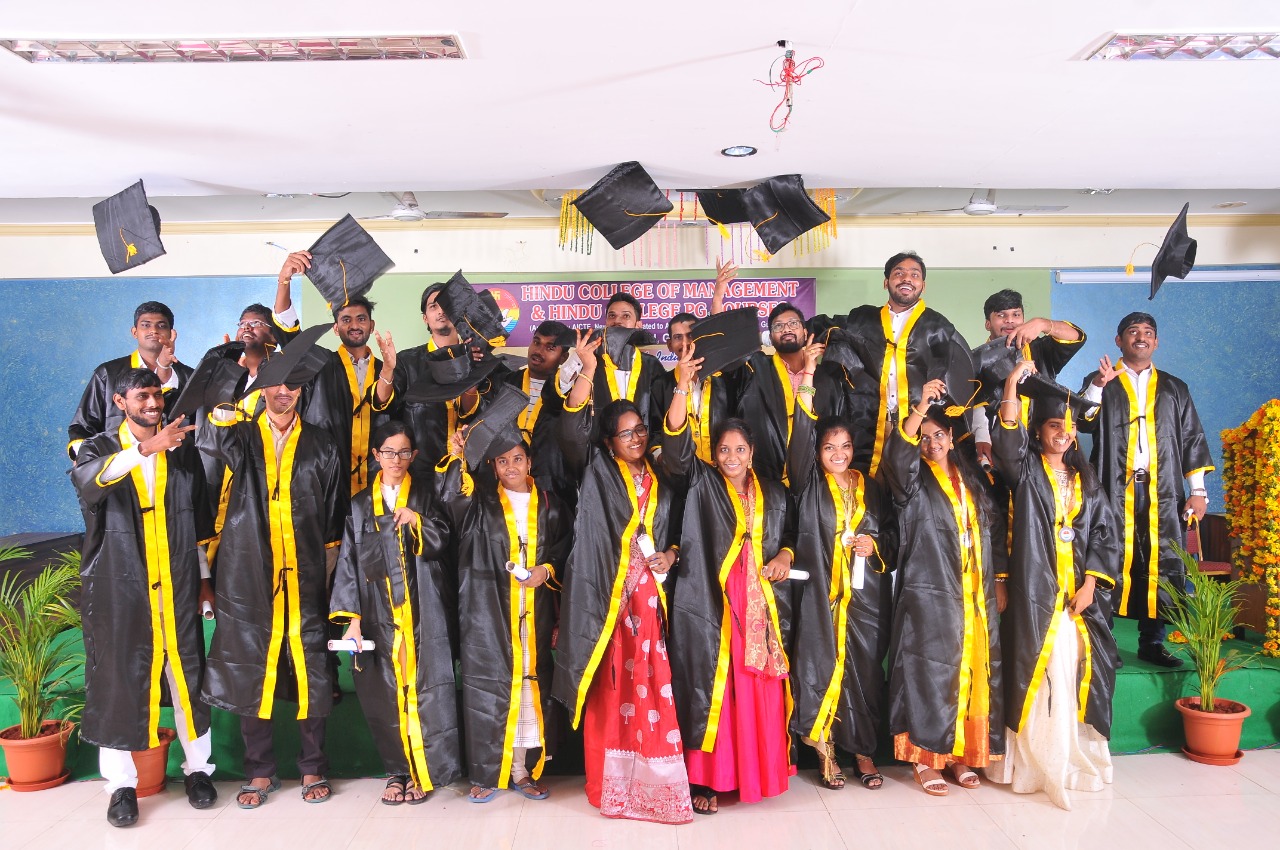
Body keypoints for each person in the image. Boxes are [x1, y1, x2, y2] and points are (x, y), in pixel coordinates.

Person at [550, 330, 698, 825]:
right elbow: (572, 432)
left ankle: (656, 785)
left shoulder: (660, 474)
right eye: (626, 433)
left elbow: (677, 527)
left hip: (651, 603)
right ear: (608, 441)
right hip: (606, 602)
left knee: (653, 688)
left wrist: (672, 553)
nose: (636, 439)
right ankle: (609, 785)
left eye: (640, 430)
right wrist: (588, 372)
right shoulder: (595, 468)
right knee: (610, 688)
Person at [196, 343, 344, 808]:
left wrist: (330, 583)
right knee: (249, 669)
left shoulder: (322, 443)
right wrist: (235, 373)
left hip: (306, 575)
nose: (284, 391)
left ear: (302, 390)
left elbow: (333, 520)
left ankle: (313, 766)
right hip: (247, 574)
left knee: (311, 670)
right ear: (261, 388)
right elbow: (213, 428)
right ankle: (259, 772)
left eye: (293, 384)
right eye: (276, 382)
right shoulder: (239, 436)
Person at [70, 369, 216, 827]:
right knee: (118, 680)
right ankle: (121, 787)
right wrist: (147, 449)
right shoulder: (97, 447)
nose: (153, 403)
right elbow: (90, 482)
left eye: (157, 394)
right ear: (120, 402)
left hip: (176, 584)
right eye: (142, 396)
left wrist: (204, 580)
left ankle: (199, 771)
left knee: (187, 677)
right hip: (120, 586)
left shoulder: (181, 451)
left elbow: (198, 523)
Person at [987, 362, 1118, 809]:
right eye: (1053, 425)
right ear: (1039, 430)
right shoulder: (1023, 471)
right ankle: (1034, 762)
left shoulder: (1087, 480)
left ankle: (1068, 757)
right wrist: (1011, 384)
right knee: (1040, 670)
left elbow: (1104, 534)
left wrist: (1091, 583)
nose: (1062, 433)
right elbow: (1006, 440)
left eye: (1068, 427)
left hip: (1077, 596)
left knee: (1074, 670)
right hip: (1034, 589)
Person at [666, 412, 798, 814]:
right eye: (724, 449)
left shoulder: (774, 492)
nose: (732, 457)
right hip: (715, 599)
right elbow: (676, 451)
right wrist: (682, 388)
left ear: (752, 452)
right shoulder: (703, 483)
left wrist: (785, 555)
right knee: (717, 687)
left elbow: (793, 534)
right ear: (714, 453)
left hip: (762, 603)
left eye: (740, 449)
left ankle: (757, 776)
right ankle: (708, 780)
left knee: (758, 686)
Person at [882, 378, 1004, 797]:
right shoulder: (911, 481)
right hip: (929, 590)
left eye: (938, 435)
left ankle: (958, 753)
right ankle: (924, 757)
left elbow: (990, 529)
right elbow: (897, 456)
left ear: (951, 436)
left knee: (969, 667)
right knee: (929, 670)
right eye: (924, 437)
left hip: (972, 591)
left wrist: (998, 581)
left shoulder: (971, 479)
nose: (932, 443)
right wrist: (918, 409)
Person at [329, 421, 460, 805]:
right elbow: (349, 564)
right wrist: (353, 622)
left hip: (423, 613)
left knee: (425, 691)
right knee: (385, 695)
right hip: (378, 617)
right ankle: (397, 772)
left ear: (414, 455)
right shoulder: (359, 506)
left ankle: (425, 770)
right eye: (388, 452)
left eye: (404, 452)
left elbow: (444, 540)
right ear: (376, 455)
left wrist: (417, 520)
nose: (396, 460)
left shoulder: (426, 495)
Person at [440, 421, 570, 803]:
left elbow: (566, 548)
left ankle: (521, 771)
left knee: (529, 690)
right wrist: (457, 456)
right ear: (493, 466)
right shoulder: (480, 501)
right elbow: (450, 497)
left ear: (529, 461)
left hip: (534, 612)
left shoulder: (550, 504)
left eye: (517, 459)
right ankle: (486, 773)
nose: (511, 467)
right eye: (502, 461)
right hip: (489, 614)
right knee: (489, 691)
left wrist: (547, 570)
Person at [1078, 312, 1213, 668]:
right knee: (1106, 556)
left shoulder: (1174, 388)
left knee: (1162, 561)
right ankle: (1104, 642)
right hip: (1111, 488)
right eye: (1133, 331)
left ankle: (1152, 642)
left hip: (1162, 491)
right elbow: (1081, 422)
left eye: (1148, 332)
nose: (1141, 337)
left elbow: (1191, 438)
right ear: (1119, 340)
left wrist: (1198, 490)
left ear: (1156, 342)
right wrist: (1098, 386)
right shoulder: (1101, 380)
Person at [786, 339, 892, 792]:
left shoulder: (869, 485)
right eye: (829, 447)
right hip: (820, 595)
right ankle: (825, 748)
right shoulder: (807, 482)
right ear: (817, 451)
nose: (838, 454)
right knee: (819, 667)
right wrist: (809, 375)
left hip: (864, 598)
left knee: (863, 673)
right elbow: (801, 437)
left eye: (845, 446)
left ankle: (863, 751)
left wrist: (873, 544)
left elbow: (888, 534)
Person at [825, 252, 970, 477]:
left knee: (915, 484)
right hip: (869, 420)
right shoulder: (863, 318)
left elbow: (956, 377)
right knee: (868, 483)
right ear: (886, 282)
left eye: (914, 274)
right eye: (899, 273)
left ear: (923, 285)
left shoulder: (937, 326)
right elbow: (826, 328)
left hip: (918, 422)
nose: (907, 278)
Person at [969, 289, 1086, 470]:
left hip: (1042, 449)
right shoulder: (978, 360)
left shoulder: (1040, 350)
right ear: (988, 324)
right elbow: (973, 406)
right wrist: (982, 436)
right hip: (996, 451)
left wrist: (1042, 323)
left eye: (1016, 314)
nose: (1010, 320)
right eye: (1001, 315)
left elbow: (1076, 337)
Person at [377, 282, 481, 476]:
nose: (441, 311)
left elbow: (481, 416)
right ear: (425, 318)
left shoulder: (477, 358)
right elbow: (384, 406)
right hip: (420, 471)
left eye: (447, 305)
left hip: (468, 469)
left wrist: (472, 374)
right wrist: (387, 369)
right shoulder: (407, 361)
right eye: (433, 306)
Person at [67, 301, 193, 460]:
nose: (154, 330)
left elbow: (200, 432)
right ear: (134, 332)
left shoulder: (189, 378)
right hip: (119, 466)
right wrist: (85, 462)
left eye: (161, 326)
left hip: (175, 470)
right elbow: (83, 426)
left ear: (171, 333)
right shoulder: (108, 374)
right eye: (146, 325)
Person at [735, 302, 839, 483]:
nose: (786, 329)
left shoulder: (826, 377)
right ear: (770, 337)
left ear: (805, 332)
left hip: (817, 479)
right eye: (778, 326)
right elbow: (729, 346)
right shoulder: (756, 369)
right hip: (766, 478)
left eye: (793, 323)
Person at [301, 291, 390, 498]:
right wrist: (284, 282)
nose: (354, 325)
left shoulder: (386, 370)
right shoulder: (320, 365)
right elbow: (292, 339)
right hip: (328, 473)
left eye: (361, 319)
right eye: (346, 320)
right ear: (335, 328)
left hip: (376, 478)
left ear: (372, 325)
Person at [500, 320, 576, 505]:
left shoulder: (571, 391)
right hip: (505, 483)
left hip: (553, 485)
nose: (539, 351)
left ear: (564, 357)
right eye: (536, 342)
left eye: (550, 347)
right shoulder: (505, 383)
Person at [591, 292, 666, 429]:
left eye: (626, 316)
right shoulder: (591, 362)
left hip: (642, 440)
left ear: (638, 325)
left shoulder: (651, 365)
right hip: (600, 441)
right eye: (612, 316)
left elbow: (661, 414)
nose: (617, 321)